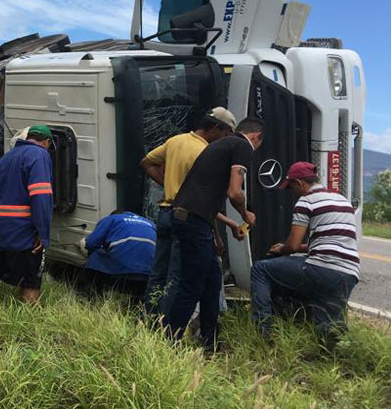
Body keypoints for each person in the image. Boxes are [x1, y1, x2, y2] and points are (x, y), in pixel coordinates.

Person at [164, 117, 265, 349]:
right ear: (256, 137)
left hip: (191, 219)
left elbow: (204, 200)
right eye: (259, 143)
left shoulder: (218, 147)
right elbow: (234, 192)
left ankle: (210, 341)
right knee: (192, 285)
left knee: (211, 282)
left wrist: (218, 236)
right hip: (193, 222)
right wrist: (245, 214)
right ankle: (170, 342)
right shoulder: (242, 146)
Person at [141, 107, 244, 318]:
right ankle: (168, 326)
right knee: (177, 276)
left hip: (165, 213)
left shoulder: (175, 140)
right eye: (224, 135)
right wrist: (217, 235)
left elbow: (147, 162)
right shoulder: (206, 153)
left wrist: (167, 185)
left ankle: (150, 317)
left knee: (158, 272)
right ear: (215, 128)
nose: (224, 140)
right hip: (187, 218)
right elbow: (203, 204)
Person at [250, 162, 359, 342]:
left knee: (261, 269)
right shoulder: (342, 200)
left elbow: (292, 245)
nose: (292, 192)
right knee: (329, 329)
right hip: (349, 273)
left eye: (292, 186)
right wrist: (300, 248)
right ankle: (337, 358)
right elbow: (327, 241)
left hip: (322, 268)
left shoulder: (306, 201)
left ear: (299, 183)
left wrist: (282, 248)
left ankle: (263, 329)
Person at [0, 124, 54, 304]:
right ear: (47, 142)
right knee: (30, 284)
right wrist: (42, 232)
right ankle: (28, 329)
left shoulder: (7, 157)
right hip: (23, 232)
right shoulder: (39, 155)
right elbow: (40, 195)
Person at [78, 209, 157, 304]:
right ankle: (137, 305)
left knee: (95, 255)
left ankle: (94, 299)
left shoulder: (112, 219)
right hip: (148, 276)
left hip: (121, 274)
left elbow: (90, 244)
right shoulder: (151, 224)